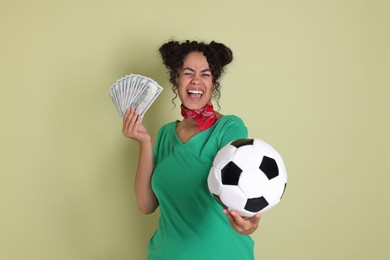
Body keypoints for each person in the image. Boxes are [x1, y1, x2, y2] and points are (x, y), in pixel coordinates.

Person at [122, 39, 261, 260]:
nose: (196, 80)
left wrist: (250, 224)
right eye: (188, 72)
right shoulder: (165, 134)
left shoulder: (229, 128)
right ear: (176, 79)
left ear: (214, 83)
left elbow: (241, 186)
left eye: (205, 74)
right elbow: (146, 205)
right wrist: (145, 142)